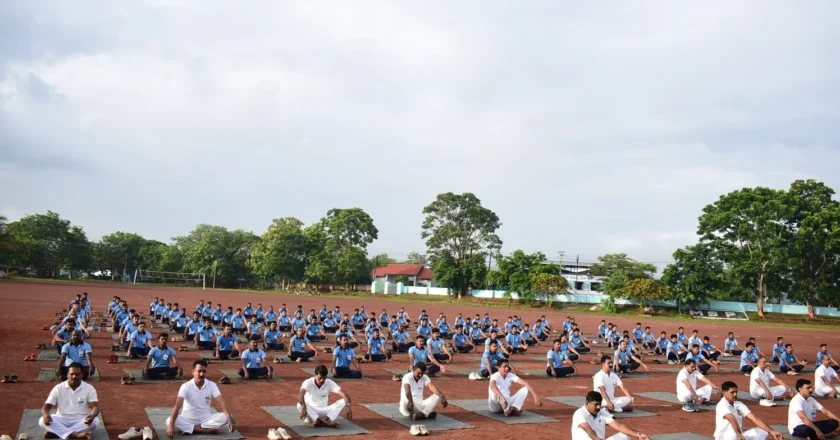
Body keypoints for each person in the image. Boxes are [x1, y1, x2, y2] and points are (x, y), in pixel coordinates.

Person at [166, 360, 235, 437]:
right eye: (199, 371)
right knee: (169, 421)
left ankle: (193, 428)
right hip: (188, 419)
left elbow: (221, 402)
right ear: (193, 372)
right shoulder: (186, 386)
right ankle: (202, 430)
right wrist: (170, 425)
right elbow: (177, 406)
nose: (201, 374)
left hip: (206, 420)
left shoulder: (212, 385)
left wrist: (230, 421)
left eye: (204, 371)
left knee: (229, 417)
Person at [39, 363, 100, 440]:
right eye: (72, 374)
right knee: (41, 421)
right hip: (61, 418)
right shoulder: (58, 388)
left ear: (82, 375)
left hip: (81, 419)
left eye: (77, 374)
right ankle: (75, 435)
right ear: (67, 374)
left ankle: (58, 433)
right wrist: (46, 416)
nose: (74, 377)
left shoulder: (89, 388)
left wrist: (92, 416)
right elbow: (46, 406)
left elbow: (95, 406)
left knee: (95, 421)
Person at [714, 381, 784, 440]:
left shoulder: (739, 404)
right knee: (733, 434)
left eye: (736, 392)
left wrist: (772, 431)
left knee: (763, 431)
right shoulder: (722, 405)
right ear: (724, 393)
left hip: (738, 436)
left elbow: (755, 419)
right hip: (724, 437)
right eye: (732, 392)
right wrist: (739, 434)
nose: (735, 394)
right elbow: (732, 419)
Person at [571, 391, 651, 440]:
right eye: (595, 405)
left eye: (599, 404)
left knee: (625, 435)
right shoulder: (579, 414)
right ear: (587, 403)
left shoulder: (601, 412)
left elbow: (619, 426)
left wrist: (639, 435)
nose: (598, 407)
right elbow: (591, 434)